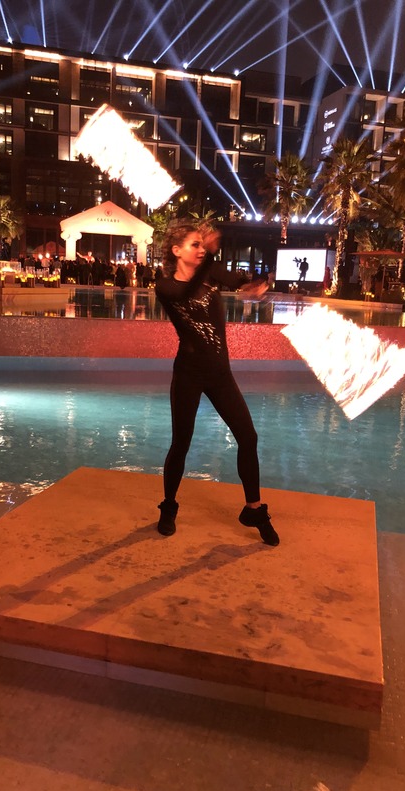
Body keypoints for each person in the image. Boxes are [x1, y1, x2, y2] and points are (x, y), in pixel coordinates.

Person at [155, 219, 279, 546]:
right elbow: (187, 292)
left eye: (202, 245)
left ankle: (253, 509)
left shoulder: (209, 272)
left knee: (248, 437)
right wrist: (209, 255)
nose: (200, 250)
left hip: (220, 373)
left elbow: (238, 281)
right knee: (181, 443)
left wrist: (253, 285)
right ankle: (169, 506)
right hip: (188, 373)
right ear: (176, 250)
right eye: (194, 245)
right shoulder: (165, 287)